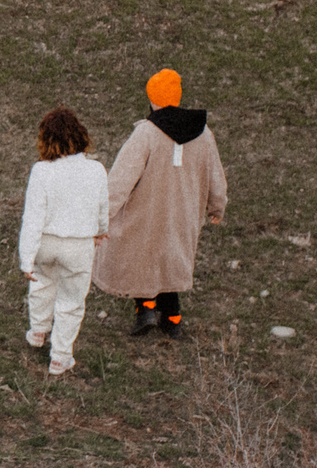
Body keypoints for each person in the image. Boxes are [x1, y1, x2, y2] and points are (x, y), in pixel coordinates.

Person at [95, 68, 228, 338]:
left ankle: (145, 310)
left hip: (148, 210)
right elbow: (216, 174)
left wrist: (102, 214)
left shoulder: (147, 133)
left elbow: (122, 177)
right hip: (184, 212)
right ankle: (173, 319)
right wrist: (217, 205)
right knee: (172, 258)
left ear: (152, 99)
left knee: (143, 256)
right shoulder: (203, 134)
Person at [17, 106, 109, 378]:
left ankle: (37, 330)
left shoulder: (42, 171)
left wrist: (27, 257)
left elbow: (32, 216)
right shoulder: (96, 170)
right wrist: (101, 230)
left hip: (47, 242)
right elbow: (103, 207)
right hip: (79, 245)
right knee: (71, 301)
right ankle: (60, 357)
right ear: (80, 136)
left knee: (43, 282)